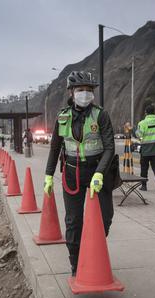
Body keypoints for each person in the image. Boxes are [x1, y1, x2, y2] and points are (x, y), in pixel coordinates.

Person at [43, 71, 115, 276]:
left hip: (97, 172)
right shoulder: (62, 117)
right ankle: (76, 263)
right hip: (72, 173)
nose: (85, 93)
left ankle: (93, 248)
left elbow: (109, 147)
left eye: (89, 90)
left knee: (105, 217)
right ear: (71, 92)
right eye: (81, 90)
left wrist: (100, 173)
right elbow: (55, 148)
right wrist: (48, 175)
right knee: (73, 221)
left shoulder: (100, 115)